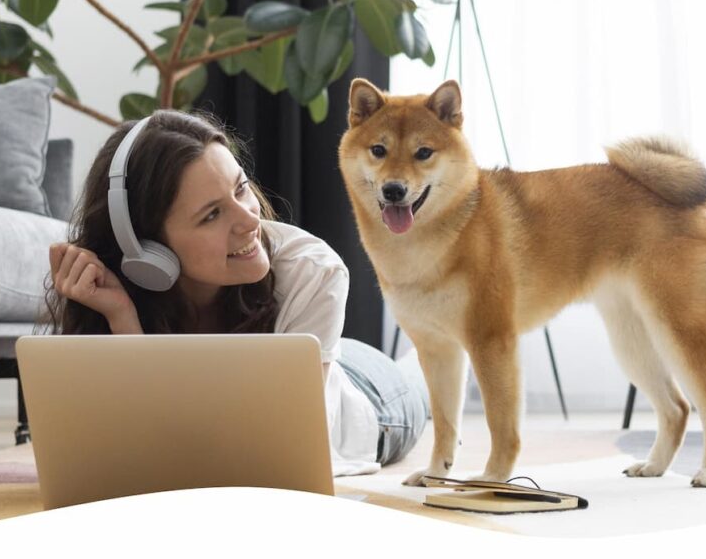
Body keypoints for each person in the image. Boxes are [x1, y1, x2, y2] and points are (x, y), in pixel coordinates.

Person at [42, 109, 428, 476]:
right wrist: (122, 318)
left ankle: (423, 364)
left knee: (420, 381)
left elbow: (286, 448)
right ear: (147, 250)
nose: (249, 219)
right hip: (323, 348)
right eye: (211, 214)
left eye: (240, 188)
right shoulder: (122, 283)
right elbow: (137, 443)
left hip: (372, 403)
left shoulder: (313, 269)